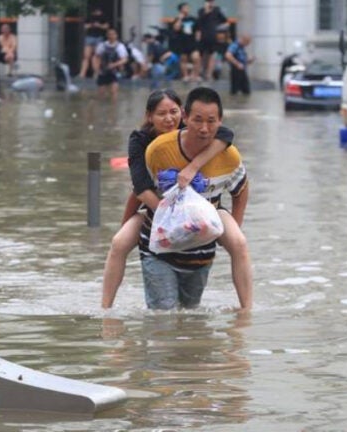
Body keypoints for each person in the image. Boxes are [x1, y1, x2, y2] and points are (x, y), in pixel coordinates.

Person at [100, 88, 252, 311]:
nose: (169, 119)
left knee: (239, 242)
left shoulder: (201, 132)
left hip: (208, 207)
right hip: (157, 206)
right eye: (162, 114)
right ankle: (105, 309)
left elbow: (226, 135)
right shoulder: (145, 144)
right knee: (119, 243)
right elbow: (139, 189)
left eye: (173, 112)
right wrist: (170, 214)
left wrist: (193, 166)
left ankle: (246, 310)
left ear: (182, 113)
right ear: (149, 116)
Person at [196, 0, 227, 81]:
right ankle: (201, 72)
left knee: (212, 55)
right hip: (203, 36)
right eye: (208, 1)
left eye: (212, 1)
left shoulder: (217, 10)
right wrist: (206, 11)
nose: (210, 3)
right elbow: (199, 22)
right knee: (202, 55)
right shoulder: (201, 10)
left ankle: (209, 74)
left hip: (213, 36)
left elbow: (224, 20)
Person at [95, 28, 128, 101]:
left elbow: (124, 59)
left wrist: (114, 64)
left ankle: (113, 109)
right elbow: (96, 57)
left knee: (114, 92)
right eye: (110, 34)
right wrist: (96, 69)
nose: (111, 36)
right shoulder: (102, 45)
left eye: (113, 34)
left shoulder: (120, 46)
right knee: (101, 93)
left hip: (114, 72)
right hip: (103, 71)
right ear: (107, 35)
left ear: (116, 35)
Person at [171, 3, 201, 82]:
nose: (187, 9)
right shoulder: (177, 19)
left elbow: (198, 30)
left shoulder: (193, 19)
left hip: (192, 42)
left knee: (196, 58)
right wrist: (180, 19)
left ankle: (195, 75)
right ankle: (186, 76)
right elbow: (176, 29)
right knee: (183, 59)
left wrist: (198, 40)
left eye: (188, 7)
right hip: (182, 42)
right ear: (181, 9)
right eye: (185, 7)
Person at [78, 8, 110, 79]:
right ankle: (82, 73)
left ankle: (96, 72)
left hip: (99, 37)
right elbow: (85, 26)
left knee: (97, 56)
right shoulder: (89, 17)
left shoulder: (103, 18)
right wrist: (92, 25)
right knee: (86, 56)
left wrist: (99, 25)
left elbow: (106, 26)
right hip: (90, 37)